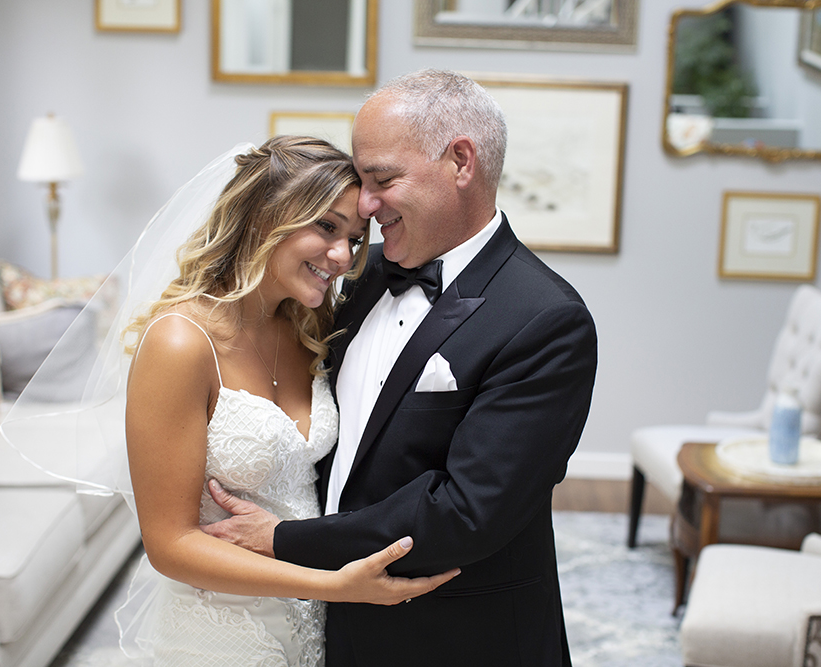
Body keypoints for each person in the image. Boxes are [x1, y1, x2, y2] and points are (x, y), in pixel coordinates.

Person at [203, 69, 599, 666]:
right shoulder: (356, 274)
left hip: (458, 639)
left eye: (382, 179)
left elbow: (465, 512)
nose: (364, 205)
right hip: (327, 622)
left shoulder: (546, 318)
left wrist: (285, 540)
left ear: (460, 162)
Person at [106, 136, 458, 666]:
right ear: (265, 216)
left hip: (311, 625)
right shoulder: (180, 342)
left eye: (355, 238)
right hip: (219, 632)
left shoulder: (306, 327)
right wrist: (334, 585)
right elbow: (170, 546)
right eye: (327, 227)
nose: (344, 257)